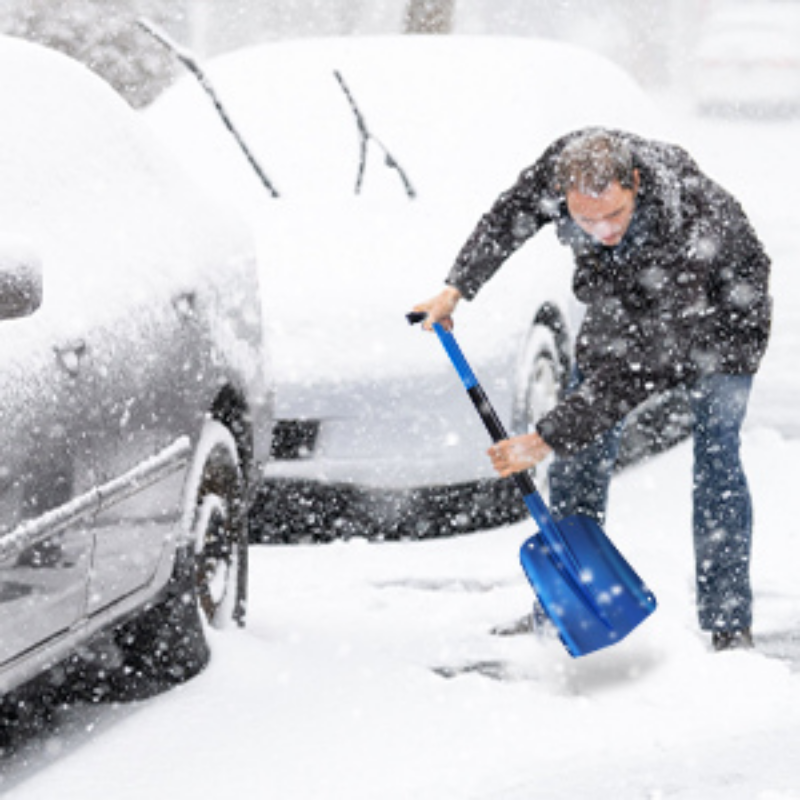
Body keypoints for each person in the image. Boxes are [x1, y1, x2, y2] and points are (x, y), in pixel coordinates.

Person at [413, 128, 772, 651]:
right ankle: (568, 603)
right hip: (629, 296)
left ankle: (729, 624)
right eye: (586, 220)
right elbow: (508, 218)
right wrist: (456, 288)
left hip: (725, 319)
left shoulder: (686, 227)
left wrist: (544, 438)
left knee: (716, 456)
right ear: (564, 196)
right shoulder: (560, 170)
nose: (603, 230)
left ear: (635, 184)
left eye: (614, 215)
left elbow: (636, 371)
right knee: (579, 447)